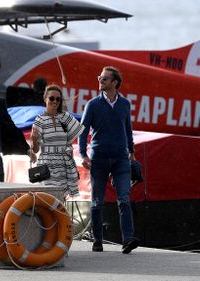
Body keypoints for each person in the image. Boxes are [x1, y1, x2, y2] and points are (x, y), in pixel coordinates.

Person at [78, 66, 139, 254]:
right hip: (99, 159)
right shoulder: (93, 104)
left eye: (104, 79)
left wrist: (131, 150)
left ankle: (128, 239)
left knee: (124, 199)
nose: (100, 81)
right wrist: (83, 154)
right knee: (97, 202)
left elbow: (127, 129)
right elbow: (83, 130)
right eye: (100, 77)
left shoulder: (125, 104)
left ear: (114, 82)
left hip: (121, 158)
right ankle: (97, 240)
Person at [30, 84, 84, 198]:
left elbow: (70, 145)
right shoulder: (39, 120)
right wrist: (34, 139)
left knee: (61, 199)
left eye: (58, 99)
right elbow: (35, 150)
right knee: (48, 197)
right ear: (45, 99)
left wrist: (73, 167)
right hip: (47, 164)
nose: (55, 101)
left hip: (64, 165)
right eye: (51, 98)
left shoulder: (66, 118)